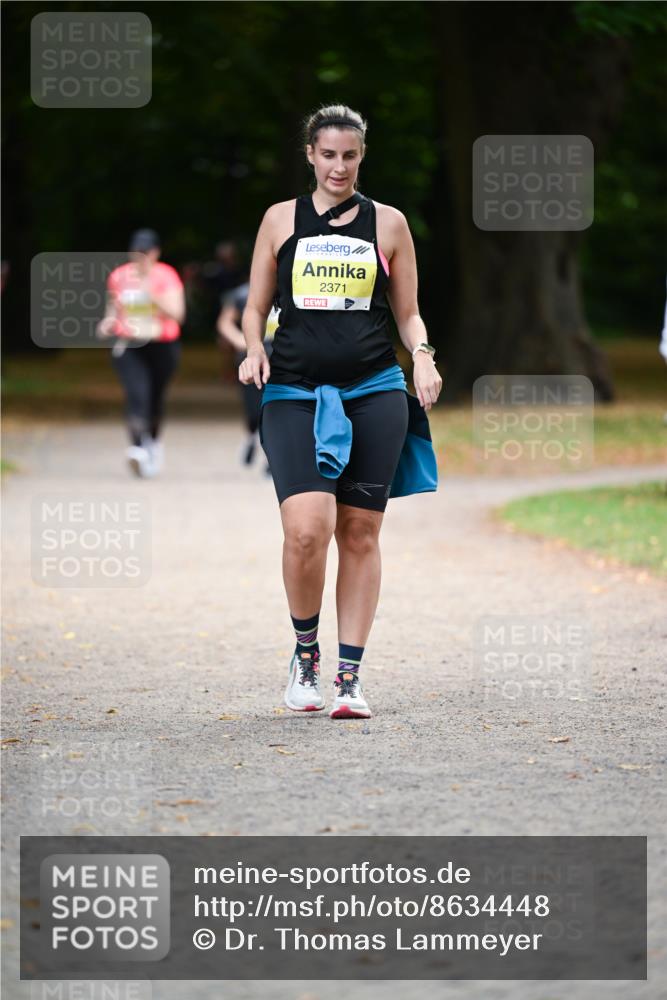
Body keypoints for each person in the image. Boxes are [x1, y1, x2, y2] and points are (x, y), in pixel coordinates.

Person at [239, 104, 442, 719]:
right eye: (328, 154)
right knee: (306, 529)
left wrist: (424, 357)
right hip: (294, 390)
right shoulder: (280, 221)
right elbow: (254, 309)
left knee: (360, 530)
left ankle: (350, 677)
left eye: (349, 155)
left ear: (361, 157)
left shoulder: (390, 224)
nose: (339, 165)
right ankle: (307, 656)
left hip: (374, 389)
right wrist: (253, 348)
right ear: (310, 155)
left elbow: (407, 313)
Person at [97, 229, 185, 478]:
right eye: (136, 252)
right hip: (130, 344)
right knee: (137, 394)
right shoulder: (119, 276)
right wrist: (107, 322)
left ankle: (153, 444)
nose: (141, 258)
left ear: (156, 253)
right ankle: (137, 448)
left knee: (155, 398)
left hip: (162, 345)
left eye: (146, 253)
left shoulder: (166, 276)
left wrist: (152, 295)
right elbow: (114, 309)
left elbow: (178, 314)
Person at [217, 281, 277, 467]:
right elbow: (225, 322)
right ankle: (251, 437)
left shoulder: (294, 288)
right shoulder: (243, 293)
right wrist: (241, 341)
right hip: (252, 359)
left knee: (276, 408)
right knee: (253, 409)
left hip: (281, 357)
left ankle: (272, 457)